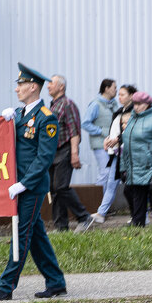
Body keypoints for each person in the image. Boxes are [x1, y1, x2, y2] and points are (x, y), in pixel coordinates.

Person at [0, 64, 68, 301]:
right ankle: (56, 282)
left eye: (20, 85)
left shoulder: (47, 118)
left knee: (20, 235)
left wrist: (24, 184)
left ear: (33, 87)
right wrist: (6, 123)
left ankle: (6, 287)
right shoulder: (20, 115)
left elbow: (44, 158)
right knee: (35, 236)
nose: (17, 89)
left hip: (31, 187)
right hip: (19, 185)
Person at [45, 74, 93, 233]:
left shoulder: (67, 104)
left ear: (61, 87)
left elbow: (74, 132)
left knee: (61, 187)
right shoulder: (52, 106)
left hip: (65, 151)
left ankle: (84, 217)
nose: (48, 86)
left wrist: (74, 154)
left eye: (51, 83)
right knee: (54, 189)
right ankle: (60, 226)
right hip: (54, 153)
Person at [117, 91, 152, 227]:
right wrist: (123, 166)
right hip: (134, 165)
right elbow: (126, 141)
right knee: (137, 196)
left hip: (150, 165)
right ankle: (138, 223)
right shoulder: (133, 118)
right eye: (134, 103)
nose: (136, 106)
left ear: (147, 104)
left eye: (139, 104)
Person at [82, 79, 119, 224]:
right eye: (114, 88)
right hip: (100, 144)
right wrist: (104, 132)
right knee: (105, 173)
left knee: (111, 175)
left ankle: (103, 209)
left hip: (112, 145)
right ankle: (96, 208)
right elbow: (86, 123)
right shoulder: (95, 104)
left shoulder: (114, 104)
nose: (116, 91)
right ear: (106, 88)